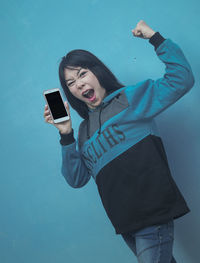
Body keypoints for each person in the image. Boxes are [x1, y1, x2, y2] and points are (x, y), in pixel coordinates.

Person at [43, 20, 195, 263]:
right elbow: (77, 178)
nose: (79, 84)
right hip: (126, 225)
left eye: (82, 74)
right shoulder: (83, 131)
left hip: (152, 214)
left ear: (97, 72)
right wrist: (66, 134)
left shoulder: (130, 99)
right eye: (71, 83)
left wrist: (155, 38)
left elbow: (181, 80)